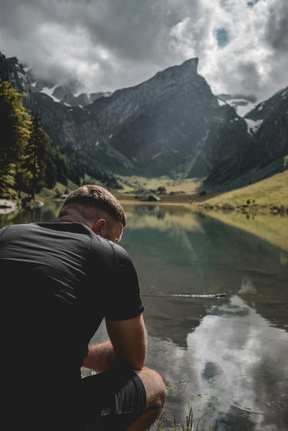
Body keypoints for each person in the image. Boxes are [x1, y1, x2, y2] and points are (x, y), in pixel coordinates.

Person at [0, 184, 166, 431]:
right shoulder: (112, 255)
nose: (115, 244)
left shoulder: (6, 233)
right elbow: (132, 359)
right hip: (37, 415)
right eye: (114, 238)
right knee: (153, 383)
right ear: (99, 227)